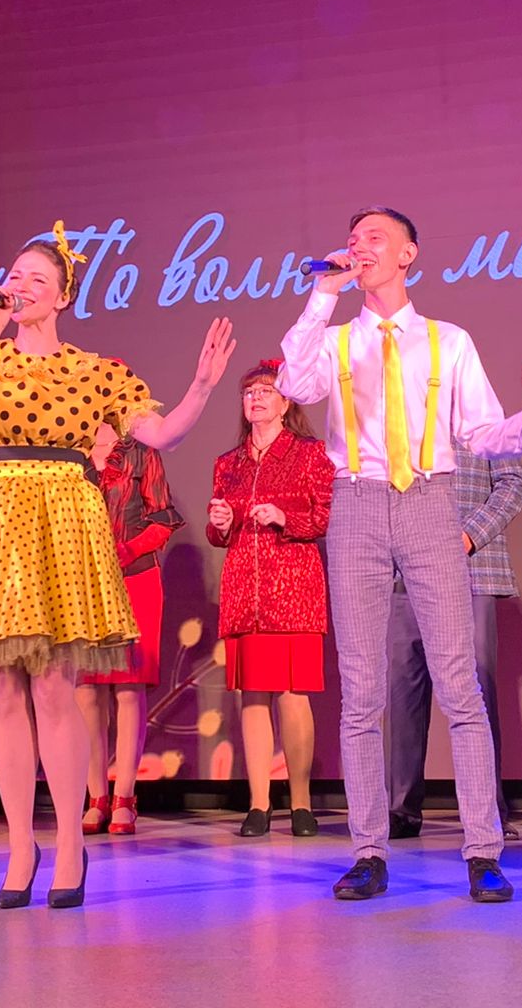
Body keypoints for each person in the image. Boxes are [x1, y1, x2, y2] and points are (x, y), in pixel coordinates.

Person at [0, 222, 234, 909]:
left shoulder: (97, 371)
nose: (21, 287)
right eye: (15, 276)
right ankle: (19, 848)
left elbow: (161, 432)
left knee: (55, 690)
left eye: (37, 281)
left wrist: (202, 386)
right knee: (3, 692)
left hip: (61, 519)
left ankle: (66, 845)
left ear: (62, 298)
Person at [276, 206, 522, 903]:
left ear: (408, 254)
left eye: (374, 238)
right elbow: (295, 386)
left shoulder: (448, 340)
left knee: (460, 685)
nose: (359, 247)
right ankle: (369, 851)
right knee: (361, 691)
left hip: (431, 500)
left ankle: (482, 851)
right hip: (356, 503)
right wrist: (322, 295)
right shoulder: (335, 338)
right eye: (353, 239)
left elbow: (484, 434)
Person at [207, 359, 335, 838]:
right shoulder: (229, 463)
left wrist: (285, 516)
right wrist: (220, 525)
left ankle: (300, 803)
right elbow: (219, 533)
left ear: (286, 403)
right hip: (246, 591)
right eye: (249, 392)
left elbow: (328, 515)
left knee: (293, 695)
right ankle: (258, 804)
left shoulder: (310, 454)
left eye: (265, 391)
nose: (255, 398)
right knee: (253, 697)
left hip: (294, 590)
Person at [388, 445, 522, 842]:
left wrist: (468, 536)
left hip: (472, 568)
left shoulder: (480, 419)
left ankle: (487, 811)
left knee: (475, 692)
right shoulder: (399, 417)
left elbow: (513, 484)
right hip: (406, 569)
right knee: (404, 693)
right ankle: (400, 810)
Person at [77, 420, 184, 836]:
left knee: (127, 687)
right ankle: (96, 796)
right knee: (86, 691)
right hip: (82, 584)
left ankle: (124, 795)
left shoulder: (141, 452)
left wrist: (125, 550)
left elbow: (162, 521)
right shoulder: (72, 455)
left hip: (135, 577)